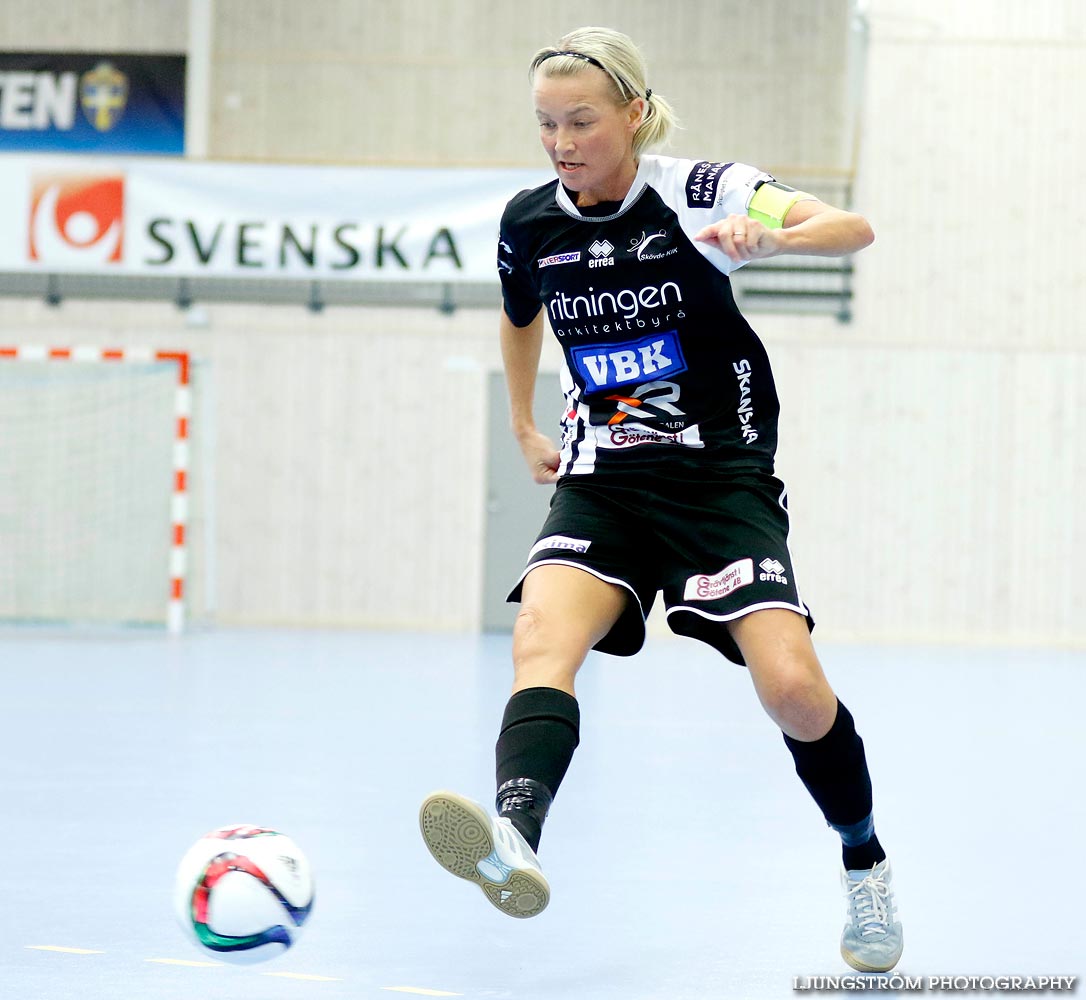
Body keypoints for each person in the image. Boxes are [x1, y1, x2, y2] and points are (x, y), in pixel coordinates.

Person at [419, 25, 902, 974]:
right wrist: (524, 421)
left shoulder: (700, 191)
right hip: (603, 482)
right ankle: (516, 839)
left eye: (582, 121)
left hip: (719, 481)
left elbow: (853, 228)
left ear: (634, 113)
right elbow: (521, 316)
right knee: (541, 643)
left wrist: (775, 233)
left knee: (796, 695)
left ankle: (865, 862)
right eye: (547, 124)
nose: (562, 141)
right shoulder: (532, 222)